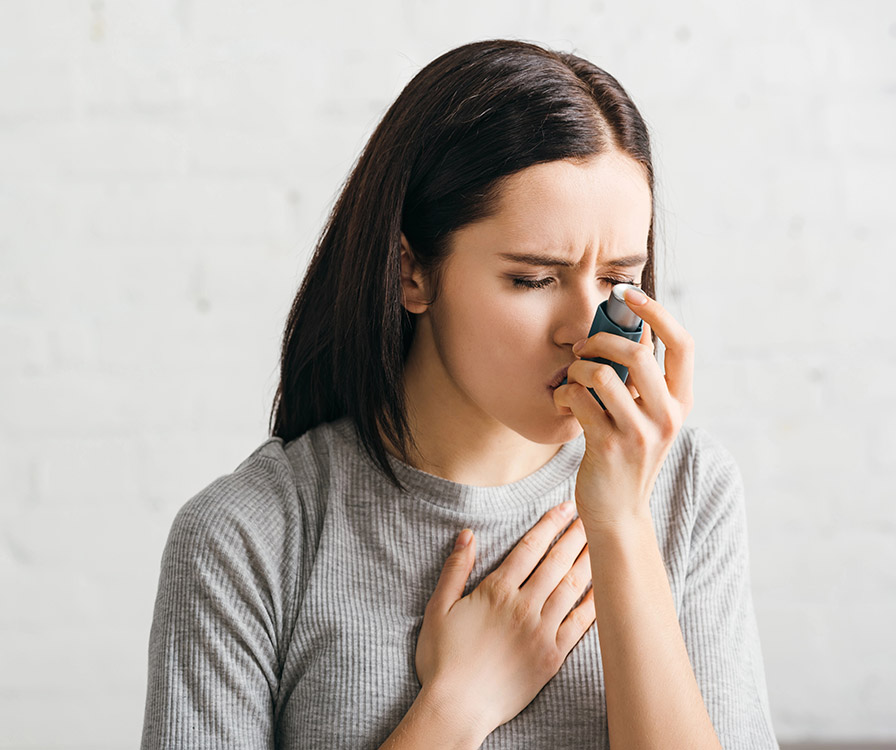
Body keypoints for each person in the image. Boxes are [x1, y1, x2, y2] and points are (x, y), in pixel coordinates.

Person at [140, 39, 779, 749]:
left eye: (618, 279)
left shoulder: (690, 488)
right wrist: (456, 707)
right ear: (411, 271)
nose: (583, 327)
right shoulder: (247, 538)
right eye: (534, 279)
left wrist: (623, 521)